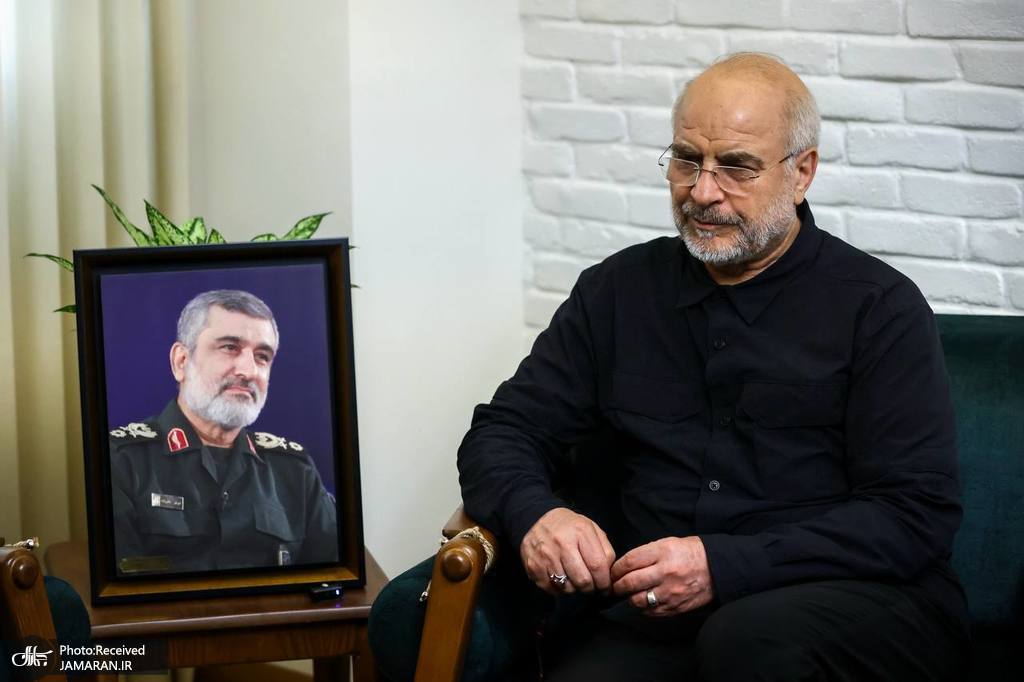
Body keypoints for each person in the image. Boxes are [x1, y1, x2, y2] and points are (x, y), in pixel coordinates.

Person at [458, 53, 970, 681]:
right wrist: (536, 513)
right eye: (686, 160)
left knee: (749, 640)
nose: (702, 192)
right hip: (655, 612)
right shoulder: (617, 291)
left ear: (802, 172)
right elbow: (504, 430)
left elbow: (914, 513)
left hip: (850, 600)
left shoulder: (879, 308)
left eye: (736, 166)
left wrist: (721, 565)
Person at [109, 289, 338, 575]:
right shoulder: (121, 461)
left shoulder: (294, 470)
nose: (248, 370)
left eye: (262, 356)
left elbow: (337, 578)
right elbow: (120, 590)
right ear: (181, 361)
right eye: (230, 347)